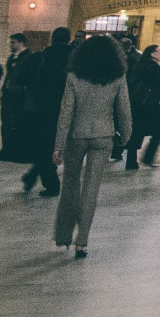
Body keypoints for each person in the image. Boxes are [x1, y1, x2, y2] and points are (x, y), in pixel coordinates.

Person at [52, 35, 130, 258]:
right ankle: (82, 242)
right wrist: (125, 135)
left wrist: (58, 145)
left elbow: (65, 113)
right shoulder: (118, 75)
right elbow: (124, 109)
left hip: (76, 136)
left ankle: (64, 236)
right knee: (91, 189)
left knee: (70, 184)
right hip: (103, 136)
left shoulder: (74, 76)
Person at [20, 27, 74, 196]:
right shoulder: (75, 59)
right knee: (51, 145)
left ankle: (50, 184)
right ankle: (34, 177)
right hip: (67, 106)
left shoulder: (42, 56)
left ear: (51, 38)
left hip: (43, 107)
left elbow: (23, 78)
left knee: (45, 144)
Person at [123, 44, 160, 168]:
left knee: (137, 132)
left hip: (137, 102)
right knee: (158, 131)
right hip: (150, 103)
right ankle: (148, 157)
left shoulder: (140, 64)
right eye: (158, 52)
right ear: (152, 53)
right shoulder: (154, 67)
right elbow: (158, 87)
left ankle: (131, 161)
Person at [0, 33, 34, 163]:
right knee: (5, 123)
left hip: (19, 95)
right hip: (8, 94)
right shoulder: (12, 58)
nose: (10, 45)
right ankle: (6, 148)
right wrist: (0, 91)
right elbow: (7, 76)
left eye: (13, 42)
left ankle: (15, 150)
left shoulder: (29, 58)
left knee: (16, 123)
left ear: (21, 43)